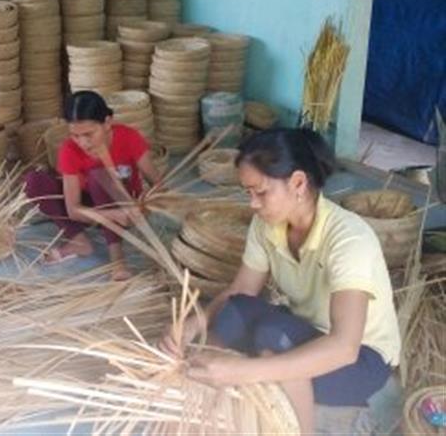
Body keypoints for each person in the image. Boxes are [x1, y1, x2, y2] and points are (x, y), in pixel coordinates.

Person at [160, 128, 400, 434]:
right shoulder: (266, 226)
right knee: (235, 310)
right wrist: (192, 324)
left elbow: (344, 347)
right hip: (308, 329)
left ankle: (301, 429)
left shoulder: (349, 239)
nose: (253, 204)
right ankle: (208, 380)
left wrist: (246, 371)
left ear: (298, 183)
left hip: (361, 361)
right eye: (248, 193)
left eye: (261, 192)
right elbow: (241, 290)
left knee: (273, 339)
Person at [25, 91, 164, 281]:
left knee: (100, 176)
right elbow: (73, 210)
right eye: (75, 135)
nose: (83, 143)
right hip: (93, 211)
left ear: (107, 122)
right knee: (34, 181)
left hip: (123, 205)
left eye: (89, 134)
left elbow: (158, 186)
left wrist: (143, 208)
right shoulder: (69, 150)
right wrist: (112, 215)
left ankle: (117, 259)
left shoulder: (129, 137)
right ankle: (79, 241)